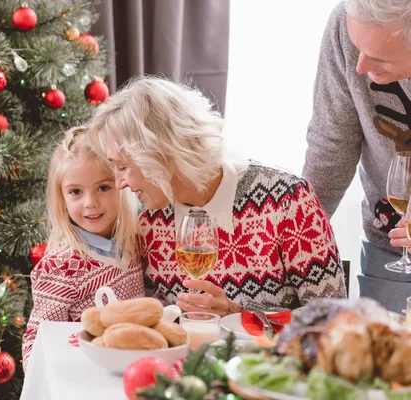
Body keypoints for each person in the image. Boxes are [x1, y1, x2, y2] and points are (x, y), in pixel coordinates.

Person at [88, 76, 347, 317]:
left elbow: (332, 319)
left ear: (160, 154)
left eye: (122, 166)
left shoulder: (287, 200)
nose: (119, 183)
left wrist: (239, 315)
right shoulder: (147, 219)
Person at [302, 0, 411, 312]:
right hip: (390, 240)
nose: (359, 67)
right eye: (357, 47)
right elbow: (331, 141)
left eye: (377, 57)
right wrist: (300, 229)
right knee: (382, 354)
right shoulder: (344, 24)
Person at [21, 126, 144, 373]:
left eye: (103, 187)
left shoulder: (131, 242)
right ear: (62, 198)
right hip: (83, 377)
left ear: (121, 186)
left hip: (130, 372)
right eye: (76, 192)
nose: (90, 203)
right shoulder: (61, 265)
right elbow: (38, 342)